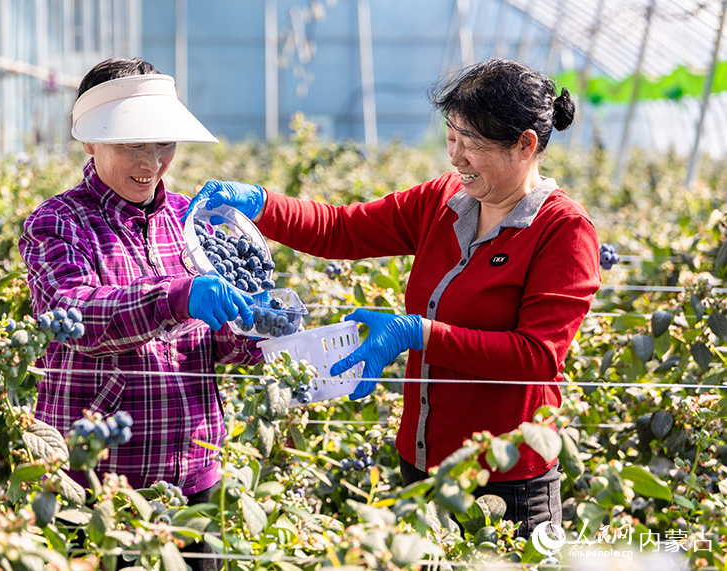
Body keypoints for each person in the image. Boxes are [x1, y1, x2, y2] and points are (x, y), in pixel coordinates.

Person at [186, 58, 601, 537]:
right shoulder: (444, 202)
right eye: (452, 137)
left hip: (505, 486)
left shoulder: (563, 231)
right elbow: (343, 230)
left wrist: (416, 333)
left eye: (473, 144)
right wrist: (262, 203)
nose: (456, 157)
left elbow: (536, 357)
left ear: (525, 145)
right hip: (420, 465)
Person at [20, 57, 260, 569]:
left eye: (163, 144)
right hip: (99, 483)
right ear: (89, 140)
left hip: (196, 471)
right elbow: (74, 315)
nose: (152, 160)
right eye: (133, 143)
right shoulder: (57, 223)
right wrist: (176, 296)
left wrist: (250, 329)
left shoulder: (189, 220)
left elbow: (209, 337)